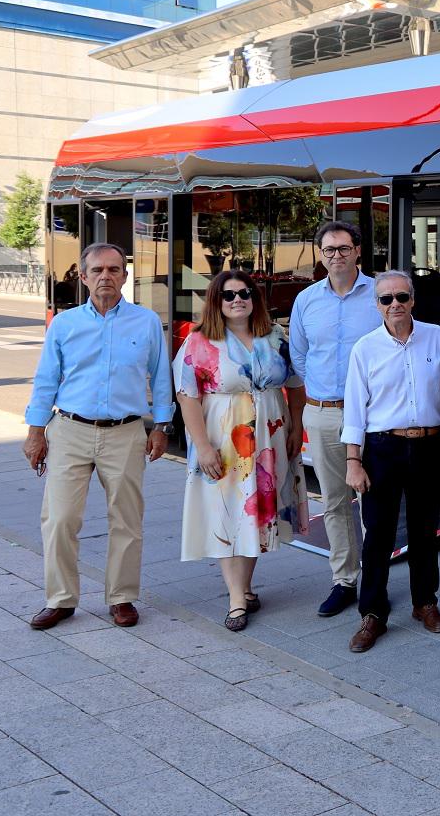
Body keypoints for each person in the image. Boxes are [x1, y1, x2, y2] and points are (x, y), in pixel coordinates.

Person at [22, 243, 174, 630]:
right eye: (98, 270)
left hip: (124, 433)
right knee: (59, 519)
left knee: (126, 520)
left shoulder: (146, 322)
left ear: (125, 276)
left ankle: (121, 598)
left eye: (114, 269)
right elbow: (45, 380)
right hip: (69, 430)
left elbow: (160, 377)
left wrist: (161, 426)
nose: (106, 276)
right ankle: (60, 599)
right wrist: (35, 431)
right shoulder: (65, 324)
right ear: (84, 276)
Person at [173, 270, 308, 632]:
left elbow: (296, 384)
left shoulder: (275, 337)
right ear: (216, 301)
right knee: (227, 514)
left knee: (256, 513)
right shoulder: (199, 342)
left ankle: (244, 588)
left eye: (245, 293)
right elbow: (187, 398)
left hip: (270, 436)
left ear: (255, 299)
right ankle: (236, 599)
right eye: (229, 294)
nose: (237, 299)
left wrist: (296, 425)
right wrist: (202, 446)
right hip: (223, 436)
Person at [341, 271, 440, 652]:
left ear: (413, 300)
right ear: (376, 304)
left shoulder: (438, 338)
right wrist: (353, 461)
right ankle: (373, 613)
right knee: (379, 534)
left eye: (402, 297)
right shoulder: (365, 348)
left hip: (428, 445)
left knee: (426, 530)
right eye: (386, 299)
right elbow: (355, 410)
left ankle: (425, 603)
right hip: (383, 448)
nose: (395, 305)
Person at [288, 220, 381, 617]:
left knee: (374, 501)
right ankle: (344, 580)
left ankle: (376, 583)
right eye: (328, 250)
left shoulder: (381, 293)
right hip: (324, 413)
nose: (336, 256)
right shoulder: (306, 300)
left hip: (375, 418)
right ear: (320, 254)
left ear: (358, 250)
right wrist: (326, 393)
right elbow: (300, 355)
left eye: (343, 248)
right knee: (335, 501)